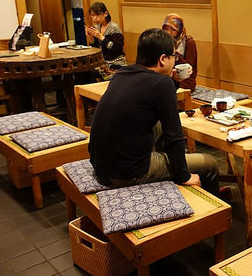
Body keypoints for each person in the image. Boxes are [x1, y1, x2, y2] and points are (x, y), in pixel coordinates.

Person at [88, 28, 218, 194]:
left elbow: (154, 102)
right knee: (209, 163)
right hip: (125, 173)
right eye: (174, 56)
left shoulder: (123, 73)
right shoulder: (162, 83)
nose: (175, 61)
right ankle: (215, 209)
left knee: (157, 125)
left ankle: (170, 179)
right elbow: (174, 136)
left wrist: (174, 81)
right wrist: (184, 176)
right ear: (163, 59)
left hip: (101, 164)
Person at [85, 2, 126, 71]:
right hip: (102, 63)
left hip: (116, 63)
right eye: (92, 15)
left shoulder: (114, 28)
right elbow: (96, 48)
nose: (94, 18)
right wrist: (91, 37)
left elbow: (117, 49)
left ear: (105, 14)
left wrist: (101, 37)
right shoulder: (97, 27)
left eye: (97, 15)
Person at [162, 13, 197, 90]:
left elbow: (190, 69)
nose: (169, 32)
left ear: (180, 29)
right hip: (167, 78)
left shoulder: (189, 42)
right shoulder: (162, 41)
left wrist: (175, 53)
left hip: (185, 81)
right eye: (166, 29)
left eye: (173, 29)